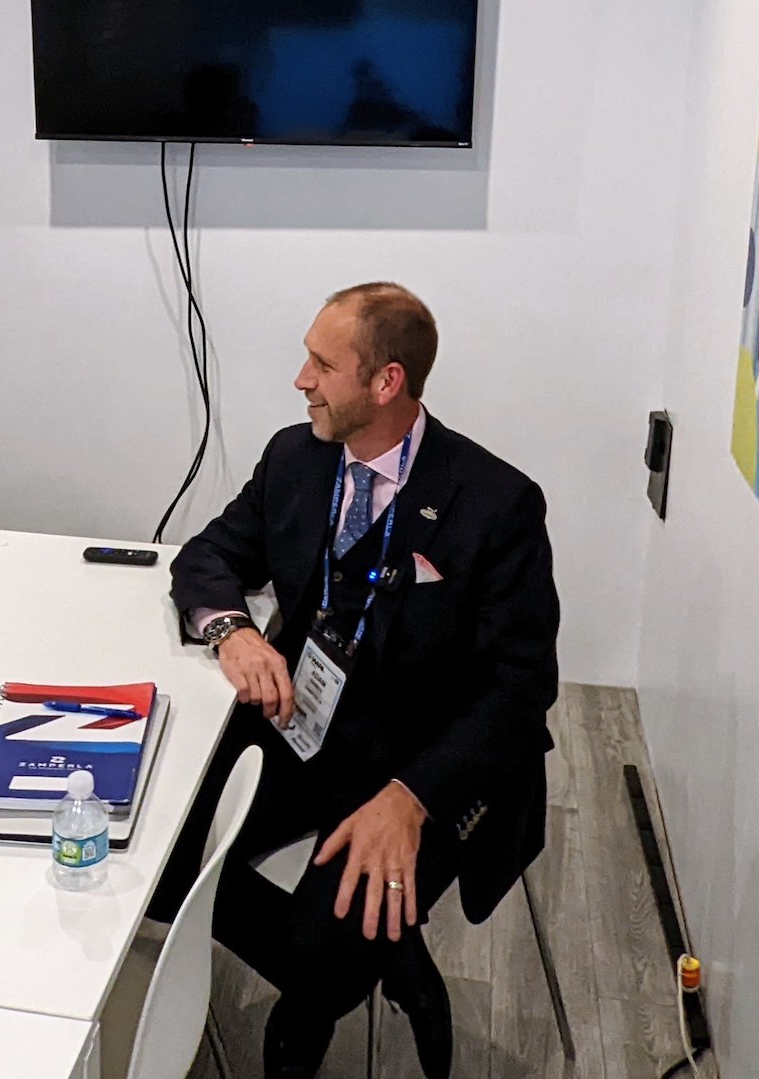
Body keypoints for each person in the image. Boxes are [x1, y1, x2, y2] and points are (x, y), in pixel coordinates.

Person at [152, 283, 560, 1078]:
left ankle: (336, 981)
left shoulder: (495, 503)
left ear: (386, 382)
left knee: (321, 954)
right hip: (305, 722)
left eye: (322, 364)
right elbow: (207, 557)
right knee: (157, 857)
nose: (300, 379)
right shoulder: (295, 458)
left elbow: (521, 689)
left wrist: (411, 799)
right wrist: (234, 632)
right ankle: (385, 955)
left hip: (425, 758)